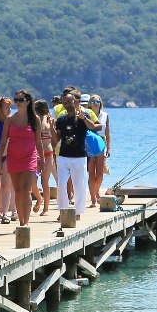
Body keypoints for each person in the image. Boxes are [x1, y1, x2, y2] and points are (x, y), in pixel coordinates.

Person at [0, 90, 44, 226]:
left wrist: (42, 159)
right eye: (16, 100)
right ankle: (21, 222)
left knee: (26, 190)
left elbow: (39, 141)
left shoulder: (35, 119)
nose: (18, 102)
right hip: (13, 158)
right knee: (18, 191)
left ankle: (26, 223)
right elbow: (3, 141)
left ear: (28, 101)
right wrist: (0, 159)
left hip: (30, 157)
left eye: (21, 100)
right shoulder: (10, 119)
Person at [52, 89, 99, 219]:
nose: (66, 104)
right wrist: (52, 128)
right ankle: (64, 211)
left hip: (79, 156)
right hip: (63, 156)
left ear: (75, 101)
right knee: (61, 184)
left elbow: (93, 127)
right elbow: (56, 140)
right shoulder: (61, 119)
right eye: (64, 102)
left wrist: (84, 119)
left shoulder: (82, 116)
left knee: (79, 185)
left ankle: (77, 212)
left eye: (69, 101)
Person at [87, 94, 110, 207]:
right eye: (93, 101)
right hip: (89, 144)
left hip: (101, 144)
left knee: (100, 174)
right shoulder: (87, 114)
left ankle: (96, 191)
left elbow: (108, 133)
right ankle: (93, 199)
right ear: (90, 104)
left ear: (100, 103)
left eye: (98, 101)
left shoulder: (105, 115)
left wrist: (109, 148)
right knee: (91, 173)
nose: (96, 103)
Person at [34, 99, 56, 217]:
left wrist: (52, 125)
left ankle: (46, 208)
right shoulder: (33, 119)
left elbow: (55, 136)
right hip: (36, 153)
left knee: (44, 181)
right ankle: (39, 198)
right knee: (32, 180)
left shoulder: (50, 119)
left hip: (48, 153)